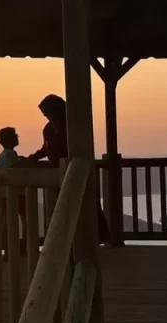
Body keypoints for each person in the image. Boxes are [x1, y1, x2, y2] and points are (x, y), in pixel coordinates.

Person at [27, 94, 111, 243]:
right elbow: (46, 149)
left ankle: (94, 239)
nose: (48, 118)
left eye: (49, 114)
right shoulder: (48, 129)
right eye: (45, 115)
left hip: (77, 173)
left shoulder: (73, 126)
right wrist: (31, 158)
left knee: (87, 207)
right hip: (59, 175)